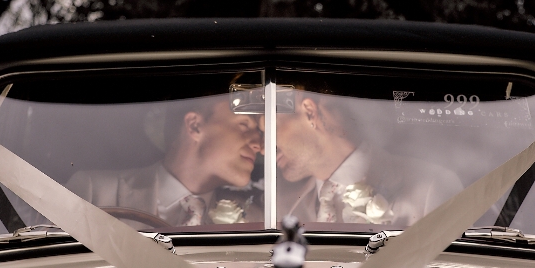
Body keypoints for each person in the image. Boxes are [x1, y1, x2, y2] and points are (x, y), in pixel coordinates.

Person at [272, 88, 463, 228]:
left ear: (309, 112)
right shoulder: (279, 207)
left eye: (269, 128)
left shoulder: (432, 187)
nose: (264, 147)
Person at [67, 94, 264, 228]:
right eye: (244, 124)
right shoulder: (93, 193)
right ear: (195, 125)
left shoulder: (256, 219)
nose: (258, 143)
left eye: (259, 133)